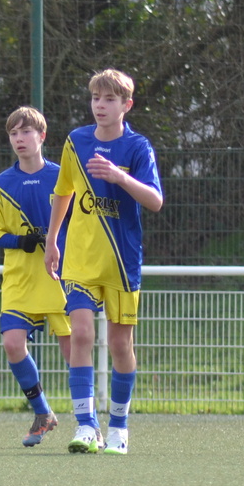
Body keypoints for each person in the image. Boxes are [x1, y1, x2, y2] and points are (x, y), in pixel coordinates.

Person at [43, 69, 164, 455]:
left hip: (121, 262)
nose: (100, 105)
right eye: (96, 97)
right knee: (80, 334)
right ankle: (86, 426)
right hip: (80, 258)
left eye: (110, 99)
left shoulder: (137, 147)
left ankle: (119, 429)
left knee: (119, 345)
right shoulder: (76, 141)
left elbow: (155, 201)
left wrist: (119, 177)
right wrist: (52, 240)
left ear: (127, 105)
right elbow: (63, 192)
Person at [0, 106, 72, 446]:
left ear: (42, 136)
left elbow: (80, 224)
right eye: (13, 133)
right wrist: (22, 241)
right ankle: (43, 413)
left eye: (26, 132)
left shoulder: (63, 177)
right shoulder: (2, 183)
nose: (19, 139)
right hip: (20, 278)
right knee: (12, 343)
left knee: (74, 351)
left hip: (59, 276)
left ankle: (90, 424)